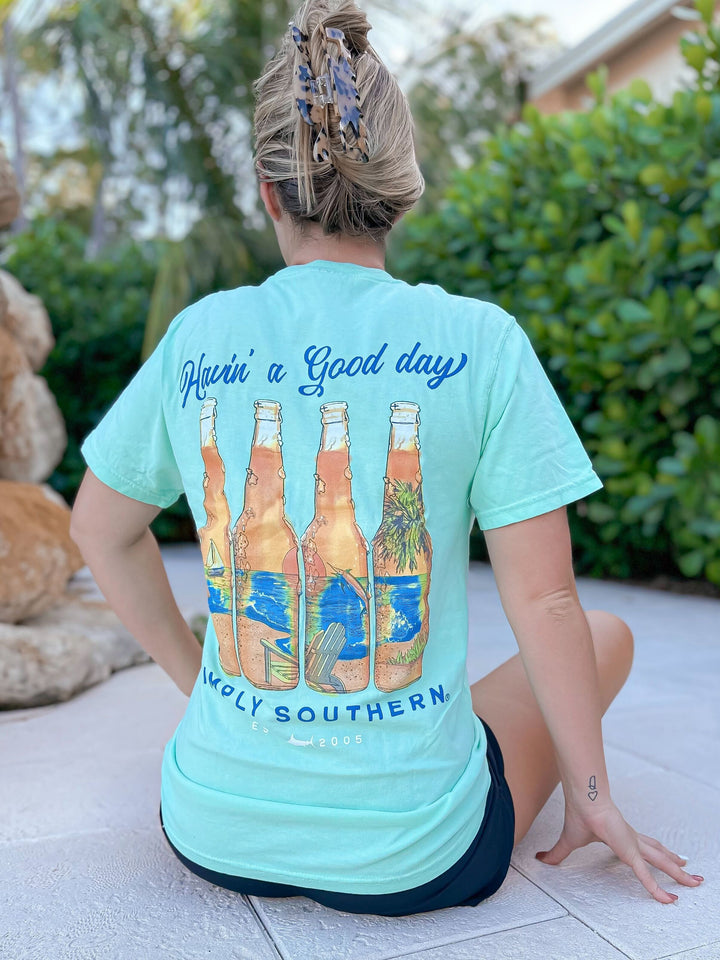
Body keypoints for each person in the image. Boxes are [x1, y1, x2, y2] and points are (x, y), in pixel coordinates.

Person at [69, 0, 703, 917]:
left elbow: (100, 527)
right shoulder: (480, 340)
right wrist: (594, 797)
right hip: (417, 857)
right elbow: (547, 600)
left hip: (209, 828)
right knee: (606, 631)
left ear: (268, 189)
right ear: (402, 188)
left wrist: (198, 680)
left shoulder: (198, 335)